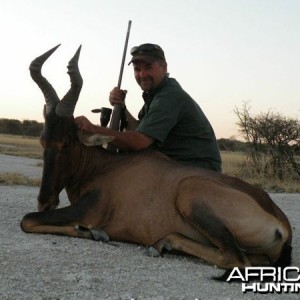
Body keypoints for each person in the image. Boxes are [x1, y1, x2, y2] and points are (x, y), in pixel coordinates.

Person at [75, 43, 222, 172]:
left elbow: (139, 142)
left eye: (148, 67)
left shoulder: (169, 97)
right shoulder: (156, 94)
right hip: (174, 166)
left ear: (163, 68)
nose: (142, 74)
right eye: (137, 69)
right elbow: (139, 130)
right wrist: (122, 107)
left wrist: (92, 128)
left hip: (196, 171)